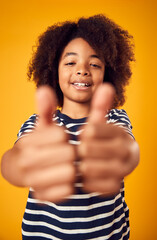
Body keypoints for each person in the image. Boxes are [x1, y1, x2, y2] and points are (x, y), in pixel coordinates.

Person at [1, 14, 139, 240]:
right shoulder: (39, 124)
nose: (83, 70)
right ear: (54, 71)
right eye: (70, 62)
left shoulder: (114, 120)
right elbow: (14, 160)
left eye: (94, 64)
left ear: (108, 74)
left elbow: (128, 150)